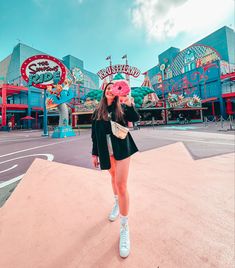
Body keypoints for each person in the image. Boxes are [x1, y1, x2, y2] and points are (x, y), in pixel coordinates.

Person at [91, 82, 139, 258]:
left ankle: (124, 226)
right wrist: (94, 154)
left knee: (121, 184)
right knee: (113, 179)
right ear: (104, 92)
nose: (110, 90)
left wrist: (128, 102)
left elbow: (135, 117)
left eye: (113, 88)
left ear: (117, 91)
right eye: (107, 88)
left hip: (122, 147)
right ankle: (117, 203)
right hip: (106, 150)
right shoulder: (98, 111)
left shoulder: (122, 107)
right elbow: (94, 135)